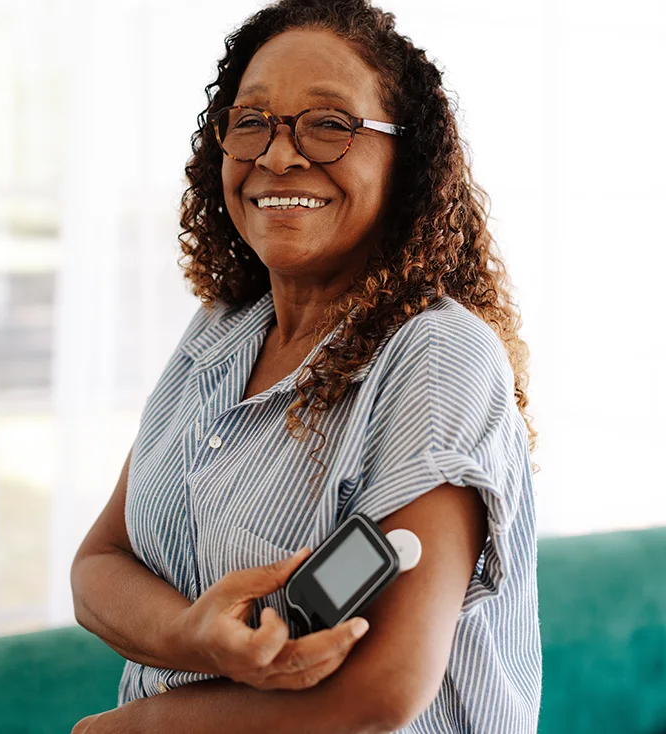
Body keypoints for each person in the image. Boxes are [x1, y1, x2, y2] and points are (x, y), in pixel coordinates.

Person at [70, 0, 540, 731]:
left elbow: (382, 689)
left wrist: (130, 727)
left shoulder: (438, 356)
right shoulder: (220, 332)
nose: (279, 155)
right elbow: (99, 564)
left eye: (329, 125)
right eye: (251, 121)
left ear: (405, 159)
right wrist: (195, 636)